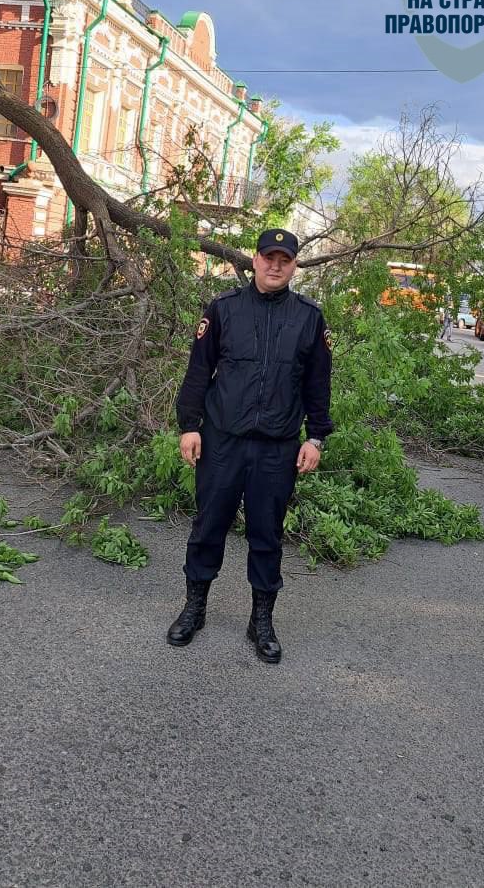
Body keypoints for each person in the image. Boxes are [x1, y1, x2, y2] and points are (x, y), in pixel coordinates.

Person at [168, 229, 334, 664]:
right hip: (223, 441)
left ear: (294, 266)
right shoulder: (224, 309)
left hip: (277, 448)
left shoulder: (309, 318)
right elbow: (198, 372)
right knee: (208, 527)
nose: (275, 266)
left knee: (267, 535)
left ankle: (261, 619)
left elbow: (318, 386)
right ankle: (195, 608)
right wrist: (190, 426)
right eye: (268, 257)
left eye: (285, 259)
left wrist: (315, 437)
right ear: (255, 261)